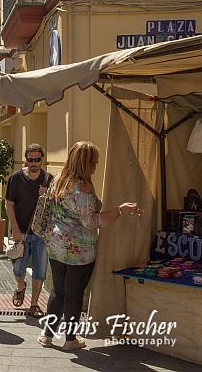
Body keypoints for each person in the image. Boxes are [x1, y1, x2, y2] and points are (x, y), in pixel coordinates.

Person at [39, 141, 142, 351]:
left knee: (59, 290)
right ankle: (70, 339)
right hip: (79, 249)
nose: (96, 166)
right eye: (94, 162)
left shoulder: (58, 180)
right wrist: (120, 210)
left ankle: (47, 335)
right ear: (86, 163)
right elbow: (91, 222)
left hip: (56, 244)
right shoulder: (83, 187)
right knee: (74, 293)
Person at [5, 144, 54, 317]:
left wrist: (47, 194)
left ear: (42, 160)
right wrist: (15, 229)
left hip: (41, 234)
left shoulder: (49, 180)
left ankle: (34, 305)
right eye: (30, 159)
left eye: (37, 160)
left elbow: (55, 207)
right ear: (26, 160)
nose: (33, 163)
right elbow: (9, 204)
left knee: (40, 270)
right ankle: (20, 286)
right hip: (22, 233)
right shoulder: (16, 178)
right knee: (18, 269)